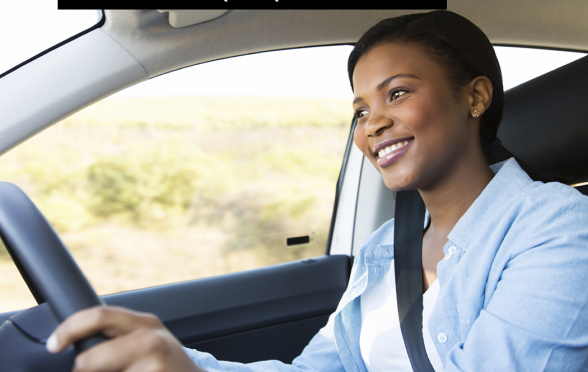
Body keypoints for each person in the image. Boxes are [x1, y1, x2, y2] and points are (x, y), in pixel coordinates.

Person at [44, 10, 588, 372]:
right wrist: (184, 364)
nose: (373, 124)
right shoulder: (382, 249)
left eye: (397, 94)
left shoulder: (557, 229)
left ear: (474, 98)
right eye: (360, 110)